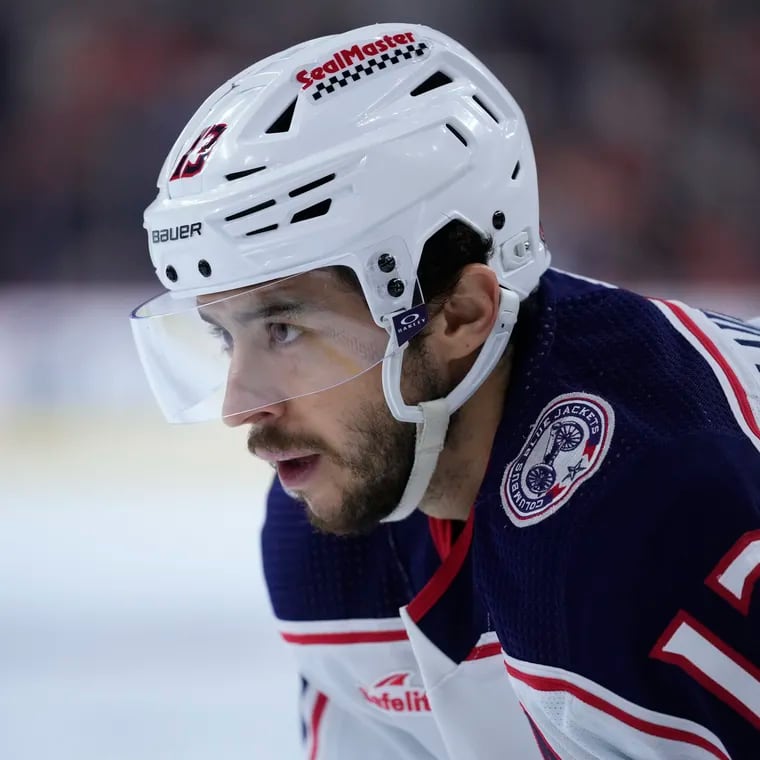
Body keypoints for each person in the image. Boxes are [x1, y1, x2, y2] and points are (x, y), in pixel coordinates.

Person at [130, 23, 760, 759]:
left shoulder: (647, 523)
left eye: (284, 329)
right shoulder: (334, 541)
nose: (242, 405)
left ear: (460, 313)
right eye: (222, 336)